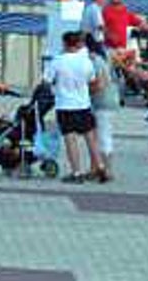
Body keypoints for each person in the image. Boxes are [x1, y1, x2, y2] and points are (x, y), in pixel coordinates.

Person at [45, 31, 106, 184]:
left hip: (65, 105)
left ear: (65, 43)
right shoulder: (86, 62)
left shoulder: (57, 61)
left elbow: (47, 81)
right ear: (77, 44)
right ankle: (100, 166)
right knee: (90, 137)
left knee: (70, 139)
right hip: (83, 104)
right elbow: (92, 81)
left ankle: (76, 172)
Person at [88, 35, 120, 179]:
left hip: (102, 102)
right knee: (99, 136)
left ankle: (107, 170)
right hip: (110, 100)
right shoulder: (104, 56)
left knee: (103, 136)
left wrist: (84, 92)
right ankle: (96, 168)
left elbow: (100, 84)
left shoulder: (94, 60)